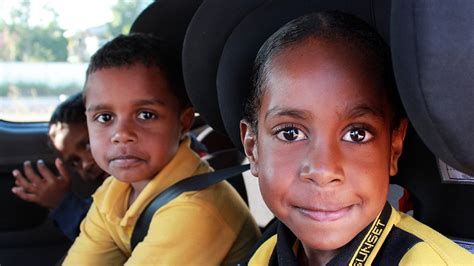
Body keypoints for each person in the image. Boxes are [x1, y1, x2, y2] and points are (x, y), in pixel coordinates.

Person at [237, 11, 472, 264]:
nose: (323, 170)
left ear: (394, 147)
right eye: (291, 133)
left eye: (357, 134)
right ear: (253, 149)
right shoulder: (266, 255)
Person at [63, 33, 260, 265]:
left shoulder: (195, 210)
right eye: (104, 117)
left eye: (146, 115)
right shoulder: (115, 191)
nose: (121, 134)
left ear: (184, 122)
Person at [11, 92, 109, 241]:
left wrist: (63, 203)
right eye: (74, 162)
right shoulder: (106, 195)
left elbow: (103, 241)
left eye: (88, 145)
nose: (86, 164)